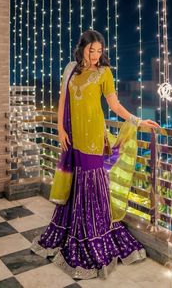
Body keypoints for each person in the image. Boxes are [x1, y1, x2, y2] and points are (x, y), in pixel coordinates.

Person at [31, 30, 159, 279]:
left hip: (93, 139)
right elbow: (62, 100)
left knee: (92, 185)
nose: (96, 55)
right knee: (76, 184)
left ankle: (93, 233)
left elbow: (114, 105)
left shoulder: (105, 73)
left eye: (100, 50)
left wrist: (138, 121)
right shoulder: (71, 69)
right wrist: (59, 129)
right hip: (72, 136)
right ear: (82, 49)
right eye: (92, 50)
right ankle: (70, 229)